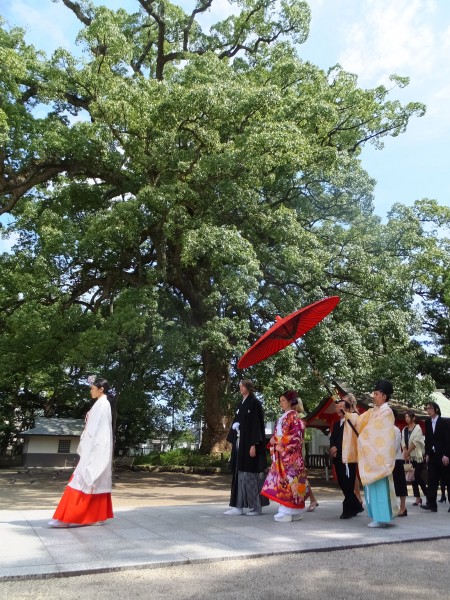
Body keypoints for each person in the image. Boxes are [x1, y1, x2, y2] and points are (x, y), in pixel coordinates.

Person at [48, 378, 114, 528]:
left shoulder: (103, 404)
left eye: (92, 388)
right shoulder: (101, 403)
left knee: (83, 480)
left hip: (96, 448)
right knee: (93, 482)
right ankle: (97, 515)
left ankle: (67, 518)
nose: (91, 390)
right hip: (94, 447)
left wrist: (93, 449)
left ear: (101, 389)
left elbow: (100, 430)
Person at [343, 380, 398, 528]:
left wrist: (363, 437)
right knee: (373, 488)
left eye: (376, 394)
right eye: (374, 393)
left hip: (378, 457)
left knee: (378, 487)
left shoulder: (387, 412)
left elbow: (376, 432)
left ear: (384, 396)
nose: (374, 396)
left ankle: (381, 518)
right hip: (373, 455)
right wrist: (347, 414)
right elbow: (359, 420)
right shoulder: (374, 410)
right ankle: (378, 517)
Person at [261, 390, 312, 522]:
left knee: (290, 482)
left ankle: (289, 511)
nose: (281, 403)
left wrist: (277, 440)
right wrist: (274, 440)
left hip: (290, 457)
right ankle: (292, 511)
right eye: (280, 401)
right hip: (283, 455)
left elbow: (295, 437)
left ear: (290, 401)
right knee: (287, 482)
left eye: (283, 400)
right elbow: (279, 434)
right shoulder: (284, 416)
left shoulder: (295, 417)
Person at [224, 379, 269, 516]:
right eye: (240, 386)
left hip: (249, 443)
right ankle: (238, 505)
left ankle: (256, 506)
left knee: (250, 475)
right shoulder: (241, 403)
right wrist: (234, 428)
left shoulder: (254, 403)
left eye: (242, 386)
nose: (240, 389)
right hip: (240, 442)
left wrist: (254, 444)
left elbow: (256, 424)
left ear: (248, 387)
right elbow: (237, 420)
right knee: (238, 473)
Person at [330, 399, 364, 519]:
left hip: (348, 458)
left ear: (348, 409)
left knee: (348, 483)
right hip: (338, 457)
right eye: (337, 406)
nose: (338, 409)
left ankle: (348, 510)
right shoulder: (336, 424)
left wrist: (337, 448)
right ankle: (357, 506)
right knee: (342, 483)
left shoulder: (353, 419)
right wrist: (332, 447)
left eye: (341, 407)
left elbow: (347, 440)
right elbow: (333, 438)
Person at [421, 401, 450, 513]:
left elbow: (448, 440)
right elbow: (428, 439)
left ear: (436, 409)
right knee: (432, 480)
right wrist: (427, 453)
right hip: (432, 456)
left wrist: (447, 455)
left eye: (430, 408)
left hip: (443, 456)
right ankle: (431, 504)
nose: (428, 410)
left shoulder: (444, 422)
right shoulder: (428, 422)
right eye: (427, 408)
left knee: (447, 480)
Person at [401, 410, 427, 506]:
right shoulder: (405, 429)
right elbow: (403, 441)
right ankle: (417, 498)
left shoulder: (418, 428)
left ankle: (428, 494)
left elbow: (416, 441)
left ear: (413, 418)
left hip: (417, 456)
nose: (406, 419)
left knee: (417, 476)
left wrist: (408, 451)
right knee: (412, 478)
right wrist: (405, 450)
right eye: (405, 417)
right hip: (409, 457)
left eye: (408, 417)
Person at [392, 410, 407, 516]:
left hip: (396, 460)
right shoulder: (382, 429)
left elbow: (395, 447)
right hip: (385, 462)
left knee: (400, 484)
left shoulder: (396, 430)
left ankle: (403, 507)